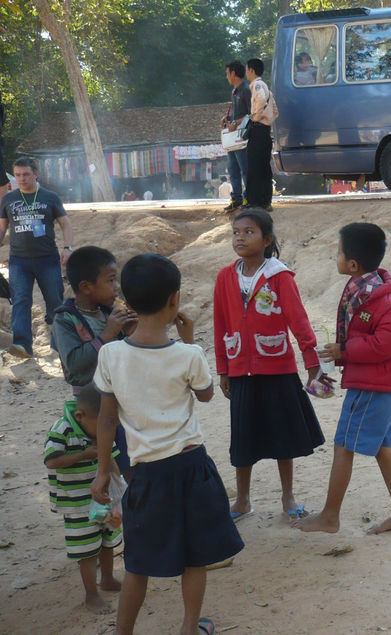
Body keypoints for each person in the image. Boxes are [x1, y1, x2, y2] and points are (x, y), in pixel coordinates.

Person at [91, 253, 243, 635]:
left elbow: (107, 417)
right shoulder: (188, 355)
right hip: (191, 468)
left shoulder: (110, 354)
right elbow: (206, 396)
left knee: (139, 562)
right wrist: (190, 342)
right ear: (174, 300)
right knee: (195, 558)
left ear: (126, 302)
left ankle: (123, 631)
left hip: (145, 474)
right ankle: (189, 628)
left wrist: (102, 471)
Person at [297, 222, 391, 535]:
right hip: (374, 381)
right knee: (380, 446)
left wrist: (345, 349)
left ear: (353, 264)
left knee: (343, 446)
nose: (335, 257)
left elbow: (385, 343)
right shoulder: (364, 287)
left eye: (338, 253)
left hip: (373, 386)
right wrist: (341, 353)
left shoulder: (383, 300)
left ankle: (330, 516)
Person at [214, 208, 325, 523]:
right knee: (243, 437)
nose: (240, 238)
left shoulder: (279, 276)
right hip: (240, 371)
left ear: (267, 240)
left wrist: (311, 360)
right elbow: (220, 324)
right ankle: (243, 500)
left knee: (283, 436)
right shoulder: (225, 278)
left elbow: (298, 319)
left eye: (249, 232)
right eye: (236, 232)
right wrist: (224, 369)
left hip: (277, 369)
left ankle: (288, 495)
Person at [51, 246, 138, 478]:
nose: (116, 287)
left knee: (135, 458)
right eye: (110, 280)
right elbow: (75, 364)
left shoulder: (109, 311)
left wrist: (131, 332)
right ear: (86, 287)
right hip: (96, 405)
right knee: (117, 464)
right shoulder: (65, 319)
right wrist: (107, 334)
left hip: (124, 397)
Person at [45, 383, 123, 614]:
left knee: (108, 540)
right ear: (80, 416)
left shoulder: (104, 427)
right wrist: (85, 454)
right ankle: (91, 594)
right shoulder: (61, 429)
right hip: (76, 503)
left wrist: (120, 489)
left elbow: (113, 459)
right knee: (87, 549)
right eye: (107, 422)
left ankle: (107, 579)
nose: (112, 426)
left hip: (105, 499)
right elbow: (51, 461)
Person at [0, 157, 74, 358]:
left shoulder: (50, 197)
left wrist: (68, 247)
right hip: (19, 261)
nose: (21, 179)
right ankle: (22, 344)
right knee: (21, 301)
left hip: (47, 259)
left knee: (54, 301)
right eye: (17, 175)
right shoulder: (8, 199)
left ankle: (60, 341)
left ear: (35, 174)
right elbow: (2, 227)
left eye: (26, 174)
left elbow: (65, 224)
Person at [245, 58, 279, 212]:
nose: (246, 73)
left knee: (254, 167)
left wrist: (256, 118)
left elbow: (260, 100)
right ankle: (266, 201)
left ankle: (254, 202)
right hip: (265, 131)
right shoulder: (266, 87)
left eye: (247, 70)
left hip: (258, 130)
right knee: (265, 168)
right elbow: (275, 110)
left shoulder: (257, 85)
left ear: (251, 70)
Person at [222, 60, 252, 213]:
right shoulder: (234, 92)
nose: (226, 76)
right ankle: (236, 198)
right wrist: (227, 119)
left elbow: (252, 114)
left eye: (227, 73)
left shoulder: (246, 90)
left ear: (233, 73)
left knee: (245, 168)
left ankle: (248, 198)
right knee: (233, 169)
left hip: (242, 137)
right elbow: (237, 114)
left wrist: (236, 122)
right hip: (233, 137)